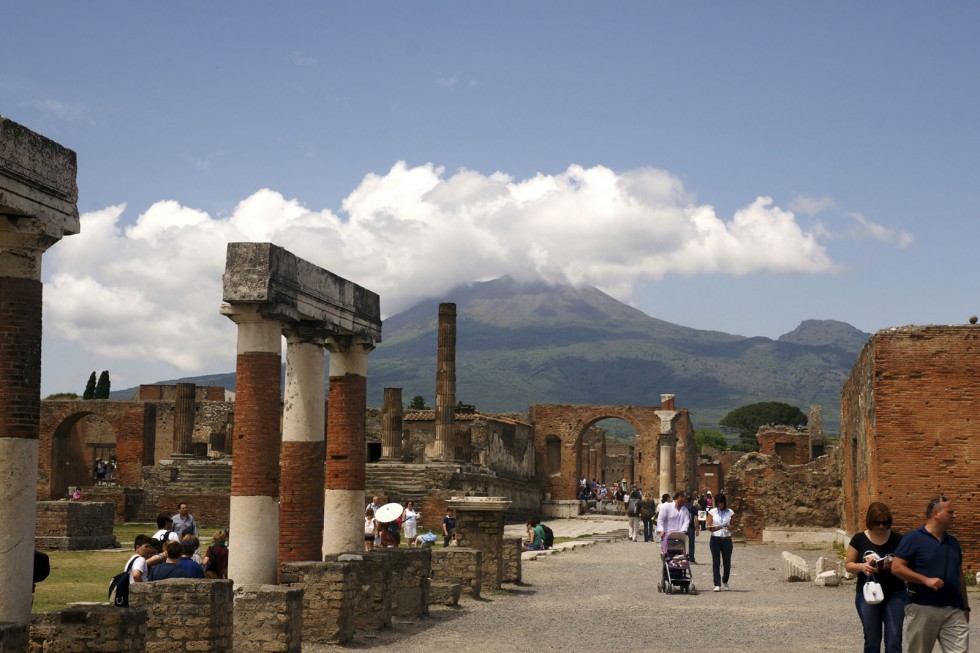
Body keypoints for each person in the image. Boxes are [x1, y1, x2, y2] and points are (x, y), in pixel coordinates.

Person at [891, 496, 970, 653]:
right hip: (923, 607)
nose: (954, 516)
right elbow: (896, 567)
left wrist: (965, 607)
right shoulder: (913, 538)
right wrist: (925, 580)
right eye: (950, 512)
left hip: (954, 609)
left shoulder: (953, 542)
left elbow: (959, 575)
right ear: (936, 513)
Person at [843, 501, 905, 653]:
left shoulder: (898, 539)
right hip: (868, 594)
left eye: (885, 522)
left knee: (894, 641)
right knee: (872, 640)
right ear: (871, 521)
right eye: (877, 523)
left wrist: (894, 563)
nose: (882, 526)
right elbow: (848, 565)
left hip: (895, 593)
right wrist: (862, 567)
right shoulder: (859, 539)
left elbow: (908, 564)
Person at [707, 492, 735, 592]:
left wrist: (729, 526)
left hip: (727, 539)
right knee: (716, 561)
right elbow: (708, 527)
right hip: (715, 539)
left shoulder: (730, 512)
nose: (720, 505)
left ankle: (725, 580)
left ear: (724, 502)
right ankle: (717, 583)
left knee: (727, 562)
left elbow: (733, 527)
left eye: (722, 503)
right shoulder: (712, 512)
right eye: (718, 503)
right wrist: (717, 527)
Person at [656, 491, 690, 555]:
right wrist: (661, 530)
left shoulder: (685, 510)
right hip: (667, 537)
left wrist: (683, 531)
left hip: (680, 538)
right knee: (667, 557)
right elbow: (660, 520)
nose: (686, 501)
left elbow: (686, 522)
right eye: (685, 499)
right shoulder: (666, 506)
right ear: (680, 497)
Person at [683, 492, 701, 563]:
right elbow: (696, 519)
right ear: (691, 500)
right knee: (691, 543)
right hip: (690, 527)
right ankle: (691, 558)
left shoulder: (682, 507)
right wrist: (697, 529)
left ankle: (682, 557)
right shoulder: (693, 508)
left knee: (682, 543)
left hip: (683, 527)